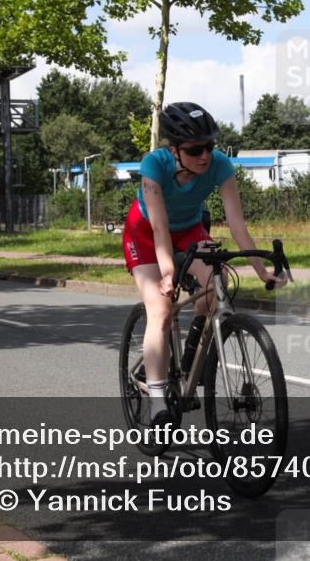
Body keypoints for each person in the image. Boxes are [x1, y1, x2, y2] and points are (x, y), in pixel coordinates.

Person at [122, 102, 287, 427]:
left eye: (209, 147)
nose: (205, 156)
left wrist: (261, 270)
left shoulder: (220, 166)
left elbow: (238, 226)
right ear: (175, 151)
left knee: (218, 283)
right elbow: (158, 227)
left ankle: (189, 359)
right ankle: (157, 398)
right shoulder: (154, 165)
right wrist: (168, 272)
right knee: (161, 308)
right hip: (144, 235)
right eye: (196, 149)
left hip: (189, 230)